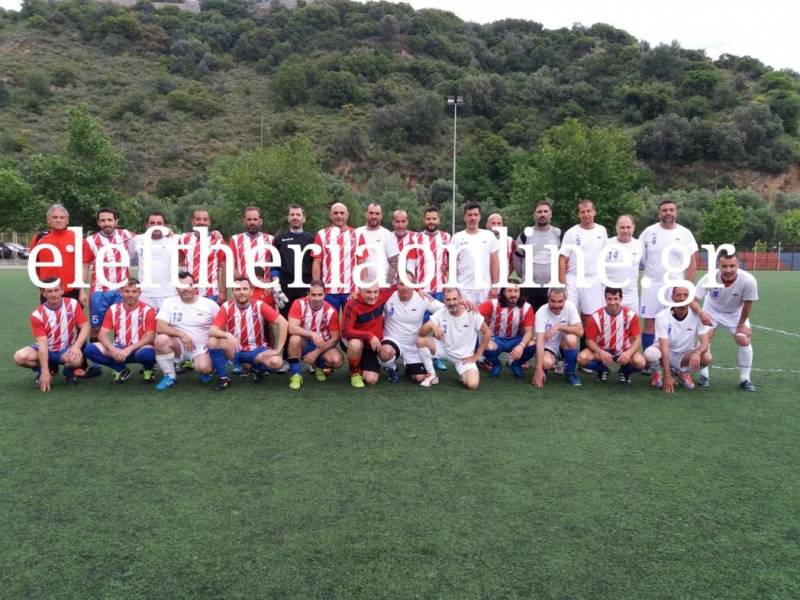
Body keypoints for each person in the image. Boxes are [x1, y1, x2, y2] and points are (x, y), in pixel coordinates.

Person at [207, 277, 288, 391]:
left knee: (277, 362)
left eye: (245, 289)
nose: (241, 292)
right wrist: (227, 335)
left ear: (251, 291)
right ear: (233, 292)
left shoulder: (259, 305)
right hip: (235, 349)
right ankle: (224, 378)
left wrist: (278, 349)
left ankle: (257, 368)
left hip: (256, 350)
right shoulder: (227, 306)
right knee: (212, 342)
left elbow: (283, 322)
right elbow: (212, 330)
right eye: (237, 289)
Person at [692, 251, 758, 391]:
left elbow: (747, 305)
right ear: (718, 266)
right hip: (712, 310)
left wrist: (741, 324)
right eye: (724, 266)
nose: (728, 270)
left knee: (743, 339)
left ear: (738, 265)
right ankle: (704, 375)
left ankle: (745, 379)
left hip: (736, 313)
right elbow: (693, 300)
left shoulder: (748, 280)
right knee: (705, 338)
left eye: (732, 266)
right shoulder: (709, 278)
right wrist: (701, 313)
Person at [639, 199, 698, 353]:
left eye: (671, 210)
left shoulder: (685, 233)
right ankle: (649, 360)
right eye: (664, 210)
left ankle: (673, 359)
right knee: (649, 323)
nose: (668, 213)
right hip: (652, 285)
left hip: (675, 288)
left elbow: (692, 263)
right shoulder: (648, 232)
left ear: (676, 212)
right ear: (659, 214)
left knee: (675, 322)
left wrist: (688, 287)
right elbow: (640, 257)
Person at [14, 279, 90, 391]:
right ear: (43, 293)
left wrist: (76, 346)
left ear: (62, 290)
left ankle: (68, 373)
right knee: (19, 357)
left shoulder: (73, 304)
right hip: (47, 349)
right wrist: (44, 371)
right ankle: (46, 371)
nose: (53, 294)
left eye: (56, 290)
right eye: (49, 291)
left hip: (66, 349)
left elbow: (85, 326)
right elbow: (43, 343)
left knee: (77, 359)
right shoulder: (37, 315)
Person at [153, 271, 220, 390]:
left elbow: (221, 326)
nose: (186, 289)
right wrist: (182, 335)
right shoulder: (169, 302)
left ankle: (208, 367)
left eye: (189, 285)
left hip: (200, 348)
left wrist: (212, 344)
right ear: (176, 288)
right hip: (179, 346)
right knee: (160, 340)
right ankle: (170, 377)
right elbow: (160, 326)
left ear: (194, 285)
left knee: (204, 368)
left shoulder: (209, 304)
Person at [83, 278, 157, 383]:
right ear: (121, 291)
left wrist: (129, 349)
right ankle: (121, 370)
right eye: (127, 291)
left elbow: (150, 337)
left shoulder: (148, 310)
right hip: (119, 350)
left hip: (139, 349)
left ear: (140, 293)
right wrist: (113, 350)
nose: (130, 295)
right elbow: (102, 334)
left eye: (134, 291)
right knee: (89, 349)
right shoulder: (113, 309)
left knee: (147, 354)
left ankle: (148, 369)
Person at [416, 287, 491, 389]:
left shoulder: (471, 312)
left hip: (463, 357)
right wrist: (433, 326)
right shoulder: (441, 312)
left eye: (454, 299)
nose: (451, 303)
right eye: (448, 300)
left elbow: (487, 332)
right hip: (444, 350)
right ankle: (432, 375)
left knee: (472, 385)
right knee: (421, 341)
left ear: (460, 299)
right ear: (444, 300)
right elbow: (421, 333)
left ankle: (463, 373)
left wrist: (478, 354)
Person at [643, 287, 712, 393]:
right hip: (664, 353)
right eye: (678, 295)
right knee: (650, 354)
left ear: (690, 298)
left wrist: (697, 353)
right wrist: (667, 376)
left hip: (684, 355)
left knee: (707, 357)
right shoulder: (662, 316)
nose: (682, 298)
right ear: (672, 297)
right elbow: (664, 348)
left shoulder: (698, 316)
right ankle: (657, 372)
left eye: (685, 295)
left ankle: (683, 373)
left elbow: (705, 342)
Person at [379, 274, 444, 383]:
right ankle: (391, 367)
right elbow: (370, 298)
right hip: (392, 340)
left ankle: (409, 367)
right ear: (396, 285)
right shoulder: (388, 297)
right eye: (401, 284)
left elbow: (443, 309)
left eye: (408, 284)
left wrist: (433, 322)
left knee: (420, 378)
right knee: (385, 352)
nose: (405, 287)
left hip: (412, 345)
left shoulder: (422, 298)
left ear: (414, 285)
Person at [82, 207, 135, 340]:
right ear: (98, 223)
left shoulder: (126, 235)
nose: (107, 223)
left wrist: (167, 231)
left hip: (122, 290)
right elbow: (85, 265)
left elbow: (148, 237)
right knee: (96, 328)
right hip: (99, 291)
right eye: (103, 220)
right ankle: (96, 353)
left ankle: (118, 353)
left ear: (116, 221)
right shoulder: (91, 240)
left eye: (110, 220)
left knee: (121, 327)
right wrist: (81, 289)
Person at [577, 287, 646, 384]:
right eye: (609, 299)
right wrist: (601, 352)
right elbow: (589, 340)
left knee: (640, 362)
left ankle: (624, 372)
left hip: (623, 351)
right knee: (582, 358)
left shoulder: (631, 315)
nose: (612, 302)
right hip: (602, 350)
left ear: (621, 299)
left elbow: (637, 339)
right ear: (605, 299)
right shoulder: (596, 316)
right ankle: (602, 370)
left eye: (615, 299)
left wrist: (628, 353)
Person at [286, 280, 343, 389]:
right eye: (313, 295)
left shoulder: (331, 311)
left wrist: (316, 353)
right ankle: (296, 374)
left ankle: (318, 366)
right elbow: (292, 328)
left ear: (325, 294)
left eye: (320, 295)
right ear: (308, 294)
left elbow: (335, 338)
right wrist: (312, 334)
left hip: (321, 345)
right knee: (294, 339)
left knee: (337, 360)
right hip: (304, 343)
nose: (317, 298)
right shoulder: (298, 304)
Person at [29, 204, 87, 307]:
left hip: (72, 292)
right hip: (49, 292)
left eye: (62, 217)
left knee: (74, 318)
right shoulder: (39, 238)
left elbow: (83, 265)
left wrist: (81, 290)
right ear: (48, 220)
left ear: (67, 220)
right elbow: (34, 266)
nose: (58, 220)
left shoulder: (77, 238)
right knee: (49, 318)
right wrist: (41, 286)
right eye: (55, 217)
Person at [558, 199, 608, 319]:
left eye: (588, 211)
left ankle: (586, 333)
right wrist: (561, 286)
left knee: (591, 317)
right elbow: (562, 260)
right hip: (573, 280)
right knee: (568, 315)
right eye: (583, 212)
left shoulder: (602, 230)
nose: (586, 214)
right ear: (578, 214)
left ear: (594, 212)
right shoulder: (571, 233)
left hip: (594, 279)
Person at [415, 206, 451, 371]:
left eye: (434, 218)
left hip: (440, 288)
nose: (431, 221)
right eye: (428, 218)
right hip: (422, 290)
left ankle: (437, 357)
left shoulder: (446, 237)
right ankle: (419, 356)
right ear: (424, 220)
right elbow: (411, 263)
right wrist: (417, 287)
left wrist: (447, 268)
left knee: (440, 324)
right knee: (422, 325)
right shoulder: (416, 238)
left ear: (439, 220)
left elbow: (452, 260)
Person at [341, 283, 396, 387]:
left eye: (375, 292)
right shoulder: (352, 304)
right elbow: (345, 331)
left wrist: (419, 290)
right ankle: (354, 372)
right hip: (355, 341)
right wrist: (369, 335)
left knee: (371, 380)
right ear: (360, 291)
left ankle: (359, 364)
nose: (372, 296)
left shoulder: (382, 295)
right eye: (368, 292)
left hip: (372, 346)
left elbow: (400, 285)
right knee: (355, 344)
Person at [477, 284, 536, 379]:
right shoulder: (493, 303)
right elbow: (475, 313)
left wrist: (521, 346)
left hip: (515, 340)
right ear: (504, 292)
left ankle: (516, 364)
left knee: (532, 344)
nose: (513, 294)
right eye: (510, 291)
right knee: (486, 343)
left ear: (520, 292)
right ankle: (496, 364)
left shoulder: (526, 307)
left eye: (516, 291)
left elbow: (529, 332)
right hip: (495, 339)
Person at [312, 203, 362, 312]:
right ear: (330, 215)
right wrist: (317, 287)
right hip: (329, 290)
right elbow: (317, 262)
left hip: (351, 291)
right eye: (335, 213)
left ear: (347, 215)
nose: (339, 216)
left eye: (342, 213)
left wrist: (359, 288)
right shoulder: (321, 234)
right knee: (329, 320)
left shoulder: (357, 234)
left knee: (350, 321)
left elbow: (361, 263)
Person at [513, 201, 561, 311]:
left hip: (552, 287)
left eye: (545, 211)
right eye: (539, 212)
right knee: (529, 317)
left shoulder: (559, 234)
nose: (542, 214)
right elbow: (517, 256)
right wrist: (522, 275)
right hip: (529, 287)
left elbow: (565, 259)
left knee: (551, 317)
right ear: (534, 214)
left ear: (551, 214)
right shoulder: (525, 235)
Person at [531, 288, 584, 388]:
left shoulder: (570, 306)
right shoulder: (541, 312)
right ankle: (548, 367)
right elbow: (539, 342)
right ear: (548, 299)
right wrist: (538, 369)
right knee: (546, 363)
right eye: (553, 301)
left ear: (565, 300)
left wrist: (558, 327)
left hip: (563, 344)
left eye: (560, 301)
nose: (556, 305)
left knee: (571, 339)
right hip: (549, 347)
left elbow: (580, 331)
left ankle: (570, 373)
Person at [449, 202, 499, 304]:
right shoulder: (457, 237)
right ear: (465, 217)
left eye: (476, 215)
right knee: (466, 314)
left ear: (480, 217)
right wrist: (454, 287)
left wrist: (495, 286)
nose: (473, 218)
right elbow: (452, 265)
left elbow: (495, 263)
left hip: (485, 288)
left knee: (485, 315)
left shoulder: (489, 236)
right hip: (464, 289)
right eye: (470, 215)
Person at [272, 205, 317, 317]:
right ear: (288, 218)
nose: (295, 217)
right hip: (285, 287)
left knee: (306, 319)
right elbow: (274, 266)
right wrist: (276, 287)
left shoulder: (312, 239)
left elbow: (316, 264)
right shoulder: (279, 240)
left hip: (305, 285)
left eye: (298, 215)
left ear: (304, 218)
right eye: (292, 214)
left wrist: (315, 286)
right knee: (286, 320)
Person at [128, 211, 178, 311]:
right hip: (145, 294)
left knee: (166, 321)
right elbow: (128, 257)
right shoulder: (138, 240)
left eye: (159, 223)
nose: (155, 226)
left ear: (165, 226)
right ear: (146, 225)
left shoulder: (175, 239)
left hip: (169, 293)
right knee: (146, 321)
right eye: (152, 223)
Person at [178, 209, 227, 304]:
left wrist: (223, 290)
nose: (201, 222)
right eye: (198, 219)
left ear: (209, 222)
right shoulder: (183, 239)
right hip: (189, 291)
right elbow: (179, 261)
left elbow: (225, 267)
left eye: (205, 219)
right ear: (193, 221)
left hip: (211, 292)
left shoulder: (218, 241)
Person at [602, 215, 643, 311]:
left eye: (628, 227)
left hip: (630, 296)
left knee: (632, 320)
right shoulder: (606, 244)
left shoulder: (639, 245)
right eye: (622, 227)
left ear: (633, 228)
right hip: (610, 296)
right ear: (616, 228)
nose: (625, 230)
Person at [354, 203, 398, 287]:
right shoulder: (356, 233)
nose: (374, 216)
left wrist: (388, 283)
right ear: (366, 214)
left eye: (377, 214)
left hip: (382, 284)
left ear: (381, 216)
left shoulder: (388, 234)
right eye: (371, 213)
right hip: (361, 285)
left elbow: (394, 262)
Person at [228, 206, 274, 284]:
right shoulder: (235, 239)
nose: (252, 222)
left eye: (255, 219)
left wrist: (269, 282)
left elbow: (275, 265)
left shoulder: (271, 239)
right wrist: (241, 282)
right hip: (243, 287)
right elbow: (231, 265)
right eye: (249, 219)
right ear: (244, 221)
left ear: (260, 221)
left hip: (264, 287)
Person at [389, 209, 419, 277]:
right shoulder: (387, 238)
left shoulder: (416, 237)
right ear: (392, 222)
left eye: (403, 221)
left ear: (407, 222)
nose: (400, 225)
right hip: (391, 281)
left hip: (411, 281)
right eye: (397, 222)